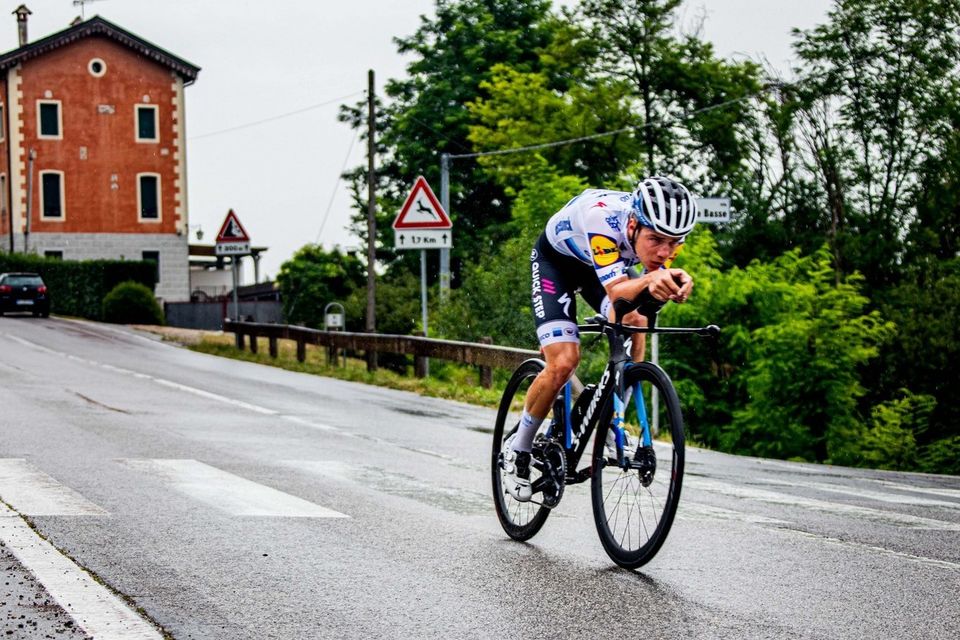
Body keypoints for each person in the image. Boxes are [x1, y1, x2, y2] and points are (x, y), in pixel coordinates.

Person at [503, 176, 698, 501]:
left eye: (675, 242)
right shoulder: (601, 218)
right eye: (656, 240)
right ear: (633, 224)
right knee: (564, 361)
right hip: (558, 264)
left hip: (604, 266)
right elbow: (617, 290)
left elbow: (640, 292)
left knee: (637, 318)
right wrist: (654, 280)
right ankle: (518, 448)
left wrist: (673, 281)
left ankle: (611, 412)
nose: (665, 252)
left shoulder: (658, 239)